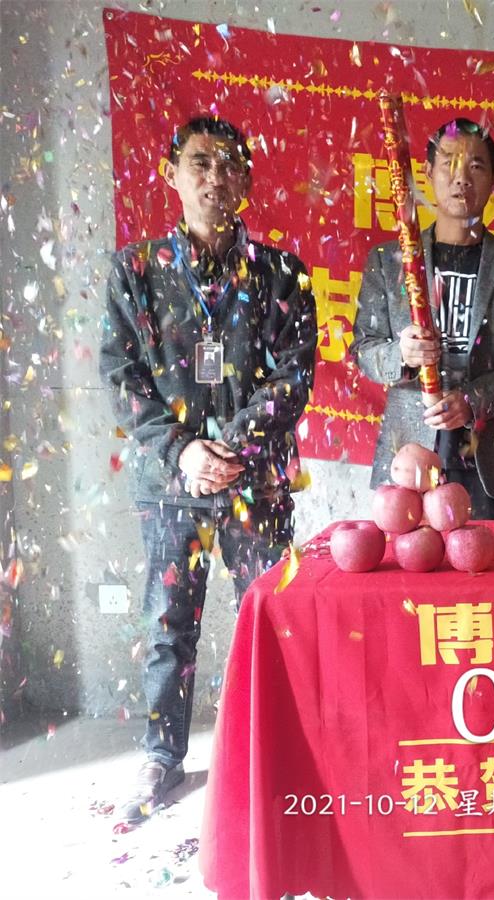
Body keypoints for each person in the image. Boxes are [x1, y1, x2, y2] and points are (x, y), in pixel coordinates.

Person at [101, 116, 317, 820]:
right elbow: (122, 377)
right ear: (172, 175)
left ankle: (281, 753)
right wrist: (184, 452)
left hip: (257, 482)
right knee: (169, 624)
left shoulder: (283, 274)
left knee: (274, 618)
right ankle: (161, 757)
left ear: (247, 180)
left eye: (229, 165)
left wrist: (231, 450)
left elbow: (293, 377)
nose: (215, 177)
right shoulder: (135, 271)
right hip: (171, 487)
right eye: (200, 163)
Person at [353, 118, 494, 519]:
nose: (462, 178)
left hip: (492, 452)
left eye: (476, 166)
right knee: (407, 558)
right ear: (428, 173)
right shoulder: (388, 261)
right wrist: (401, 353)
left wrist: (475, 400)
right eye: (449, 164)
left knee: (490, 558)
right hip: (409, 450)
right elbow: (363, 349)